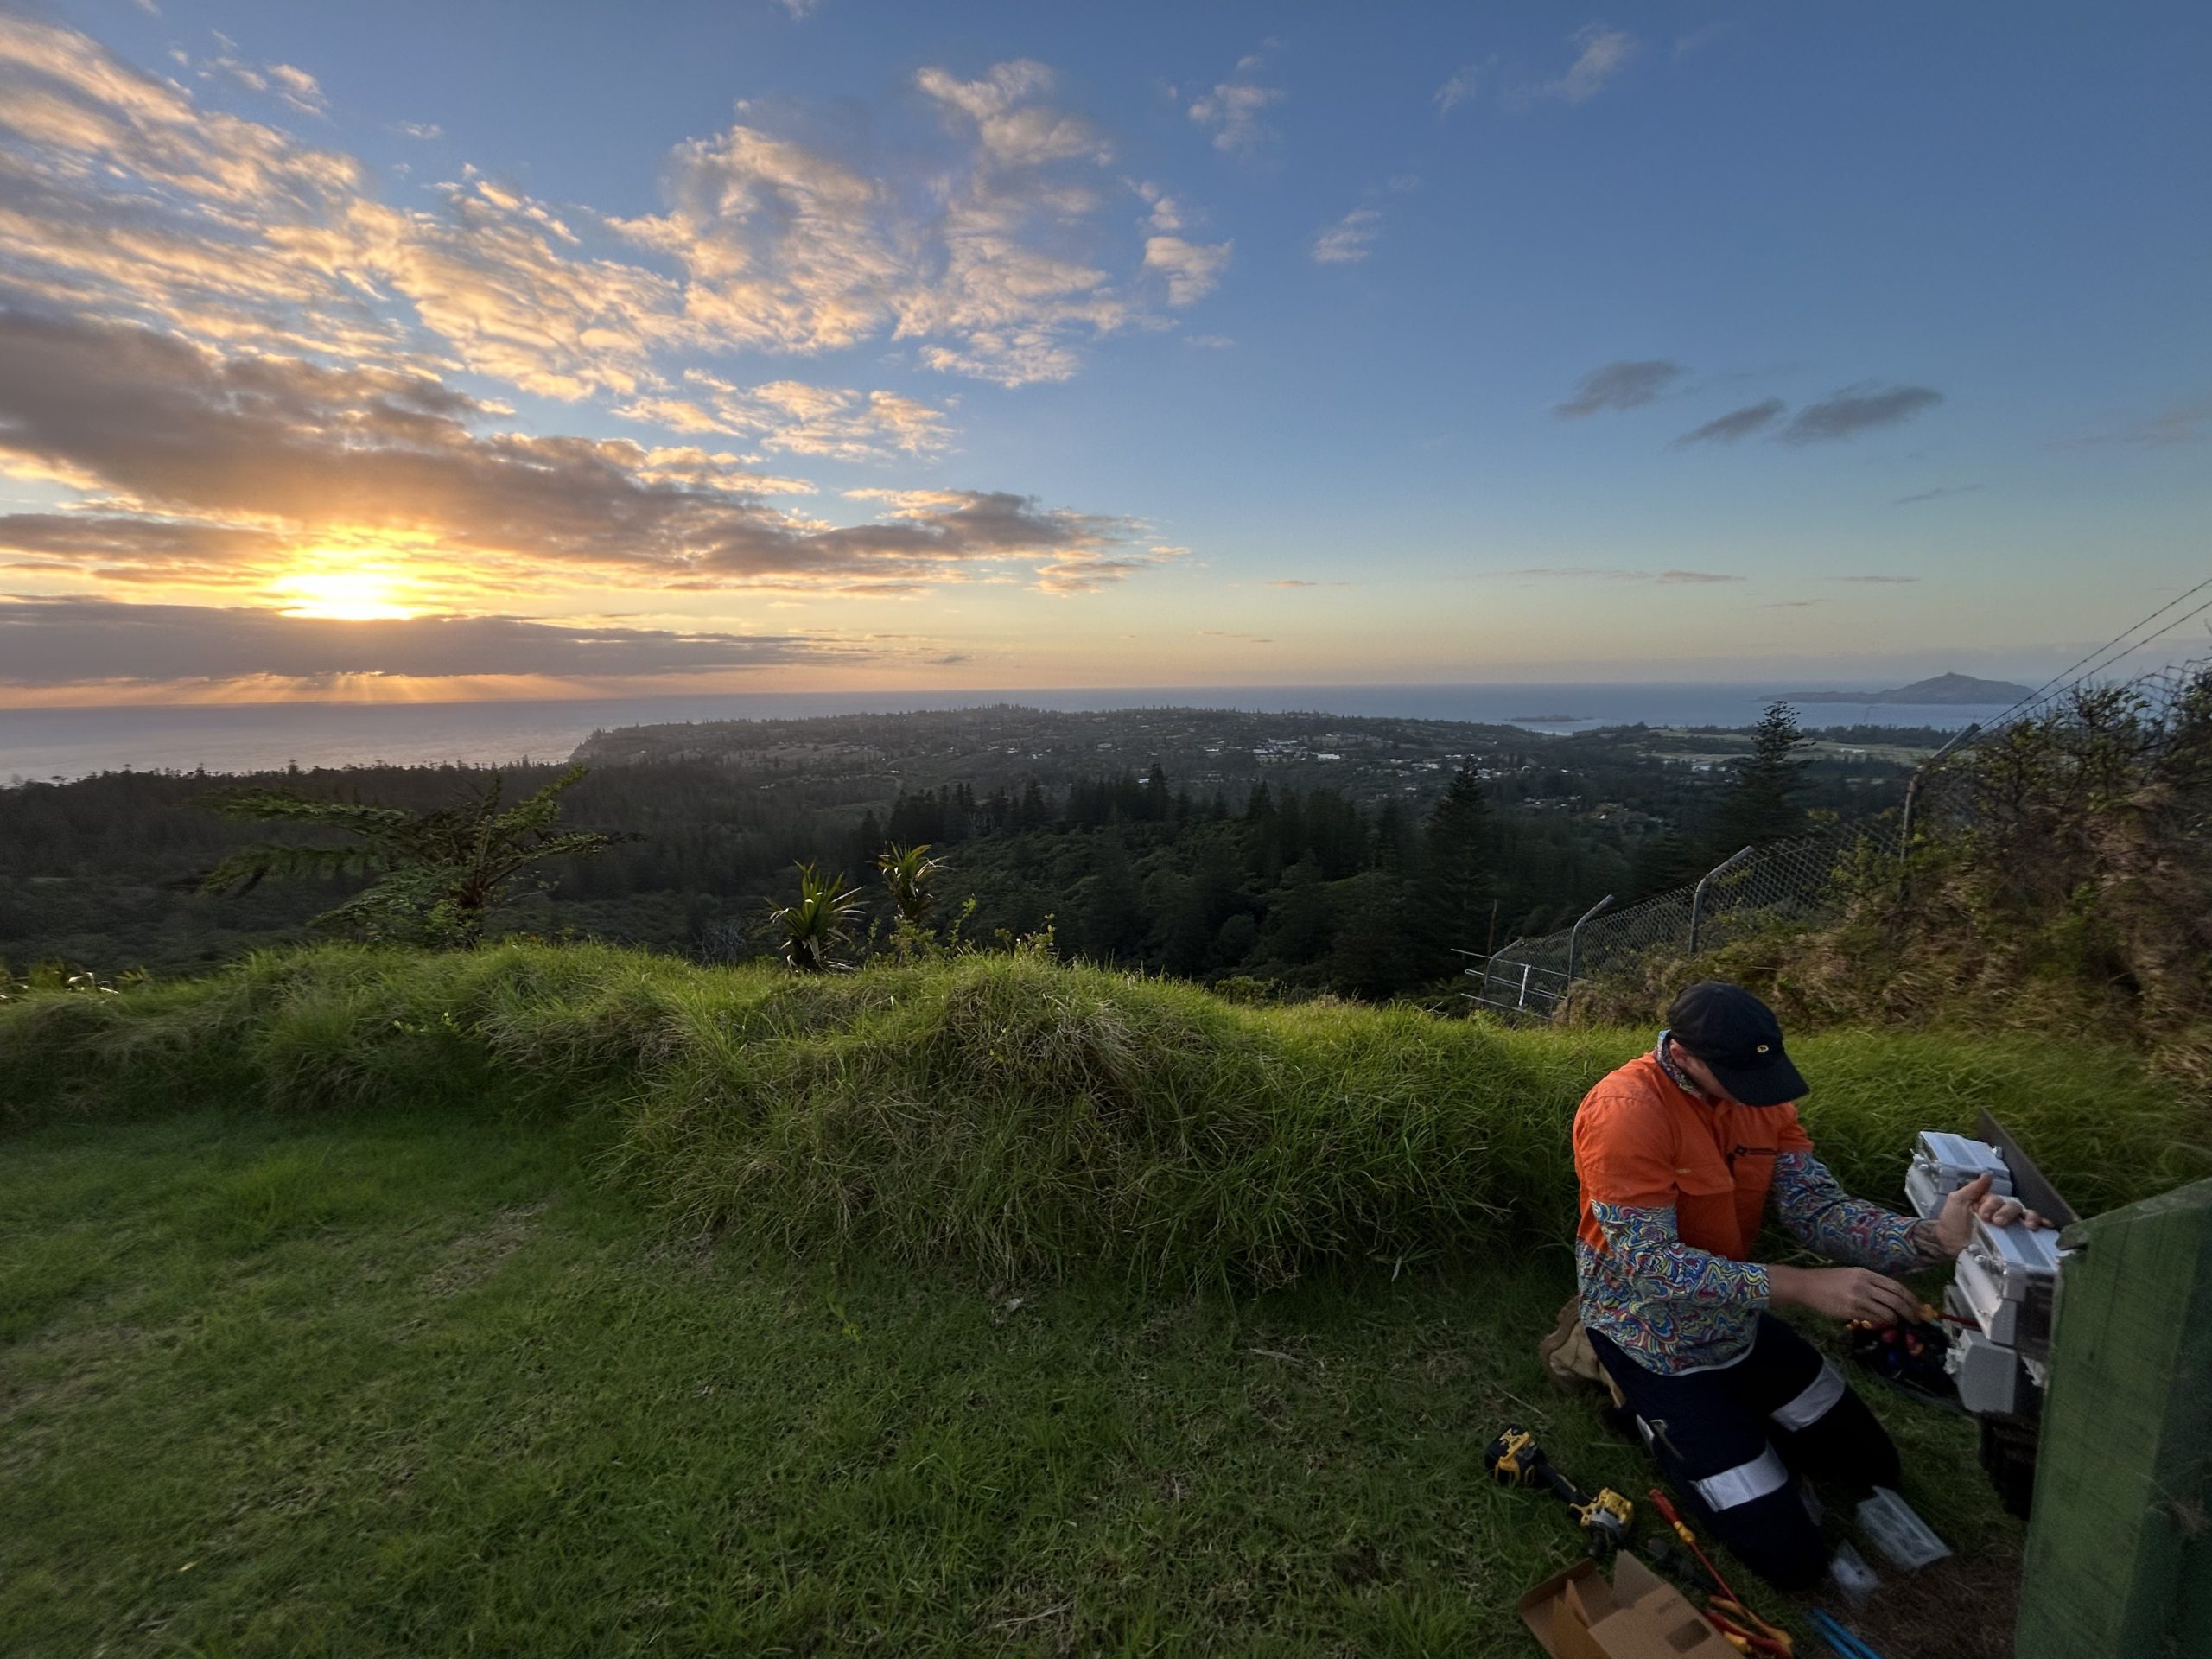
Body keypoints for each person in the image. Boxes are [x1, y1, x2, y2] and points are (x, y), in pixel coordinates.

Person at [1572, 980, 2044, 1589]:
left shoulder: (1757, 1092)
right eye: (1740, 1081)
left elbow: (1816, 1209)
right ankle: (1648, 1415)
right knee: (1791, 1561)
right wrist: (1800, 1286)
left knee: (1875, 1464)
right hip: (1651, 1341)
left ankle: (1729, 1422)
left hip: (1735, 1324)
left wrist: (1935, 1239)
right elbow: (1651, 1267)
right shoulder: (1625, 1113)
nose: (1758, 1098)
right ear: (1683, 1057)